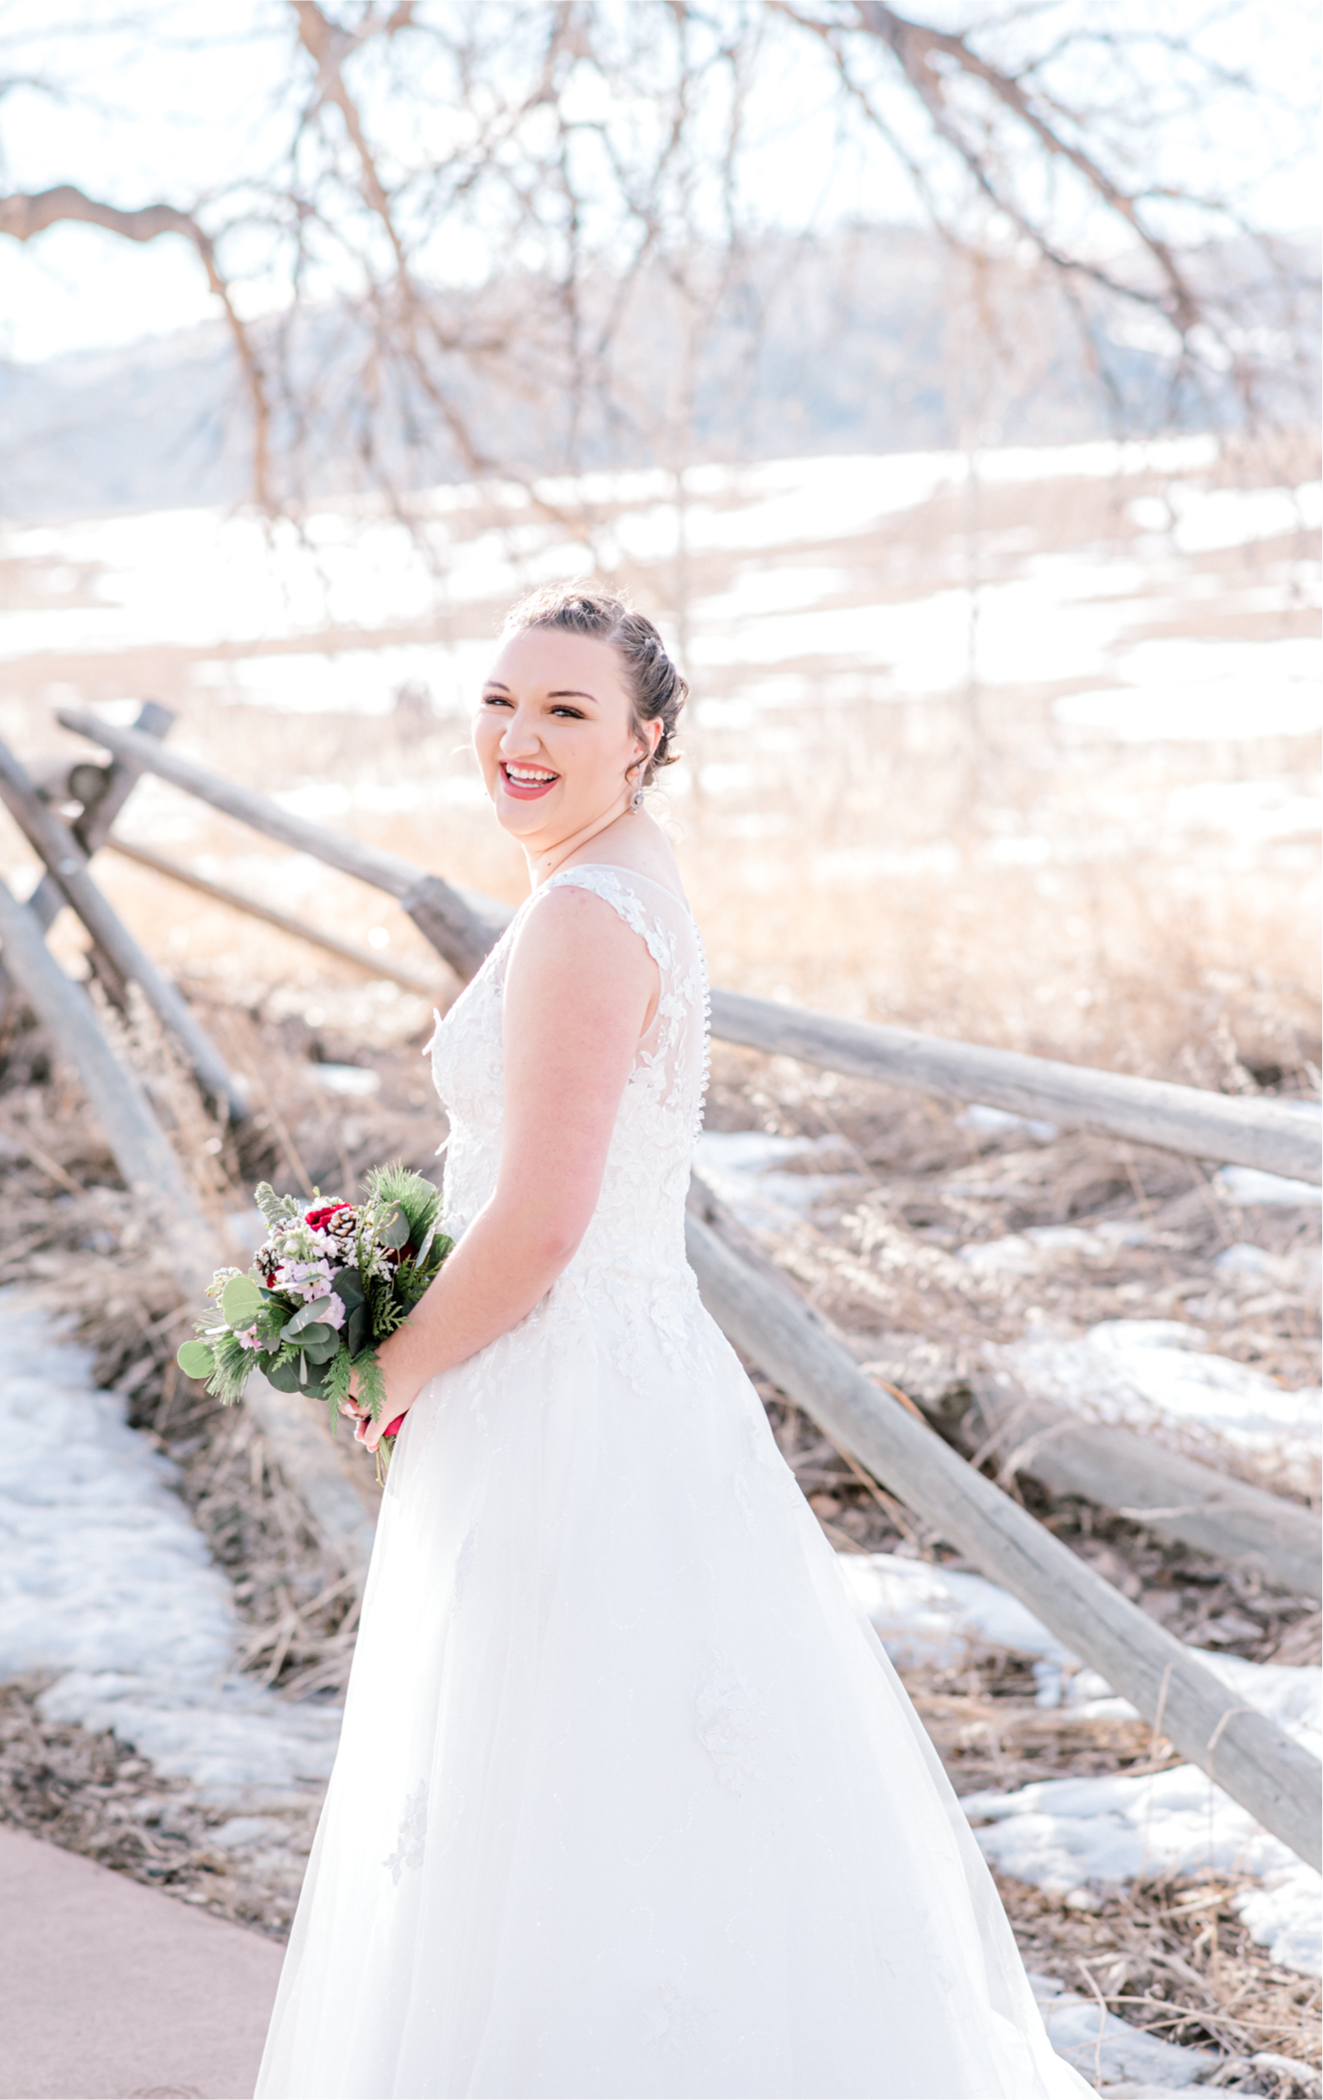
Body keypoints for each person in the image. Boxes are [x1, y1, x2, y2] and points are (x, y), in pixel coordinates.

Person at [254, 587, 1092, 2099]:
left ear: (645, 741)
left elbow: (544, 1222)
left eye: (566, 713)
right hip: (617, 1379)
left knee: (559, 1802)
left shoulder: (584, 916)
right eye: (501, 701)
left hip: (562, 1388)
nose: (517, 737)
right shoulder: (620, 875)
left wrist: (392, 1365)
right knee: (640, 1797)